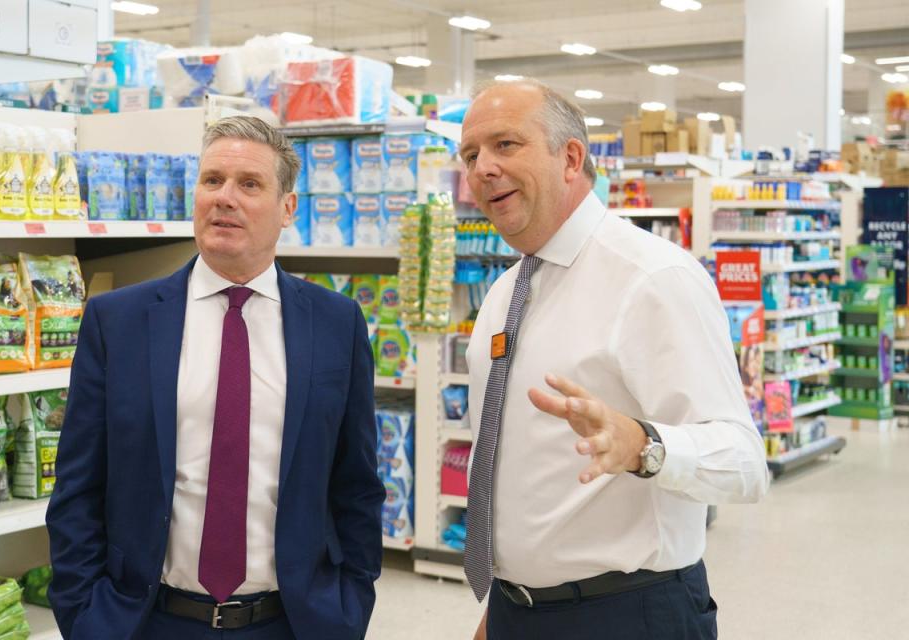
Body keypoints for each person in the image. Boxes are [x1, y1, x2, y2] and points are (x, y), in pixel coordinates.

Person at [46, 116, 384, 640]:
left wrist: (349, 602)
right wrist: (85, 615)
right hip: (147, 620)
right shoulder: (120, 321)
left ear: (287, 208)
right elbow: (78, 485)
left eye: (249, 184)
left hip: (293, 621)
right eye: (212, 181)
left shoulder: (336, 323)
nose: (224, 197)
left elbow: (357, 483)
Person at [458, 79, 769, 639]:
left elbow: (745, 463)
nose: (482, 168)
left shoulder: (652, 278)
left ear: (570, 157)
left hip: (628, 613)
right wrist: (504, 606)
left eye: (505, 145)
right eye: (470, 154)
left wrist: (643, 446)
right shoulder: (504, 293)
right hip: (518, 612)